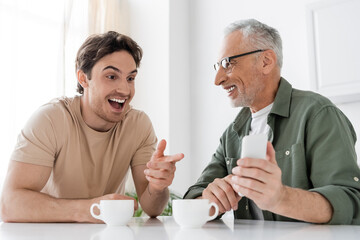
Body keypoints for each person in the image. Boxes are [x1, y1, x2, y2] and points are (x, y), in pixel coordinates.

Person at [184, 19, 360, 224]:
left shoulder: (317, 114)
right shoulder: (231, 134)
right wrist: (208, 198)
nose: (218, 79)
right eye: (218, 66)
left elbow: (350, 201)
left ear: (266, 61)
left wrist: (282, 199)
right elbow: (195, 195)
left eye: (227, 63)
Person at [0, 31, 184, 222]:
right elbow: (9, 204)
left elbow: (152, 208)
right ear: (83, 78)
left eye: (130, 78)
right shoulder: (51, 119)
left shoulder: (138, 125)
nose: (124, 90)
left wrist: (157, 187)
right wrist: (89, 209)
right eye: (111, 76)